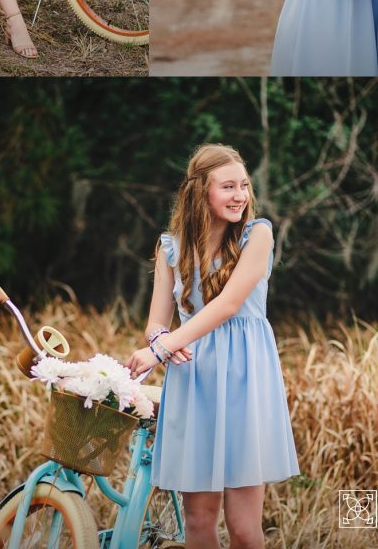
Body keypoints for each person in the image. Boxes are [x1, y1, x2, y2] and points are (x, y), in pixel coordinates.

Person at [126, 144, 298, 549]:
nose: (240, 194)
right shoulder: (171, 247)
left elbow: (228, 305)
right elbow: (156, 320)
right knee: (199, 522)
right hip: (196, 382)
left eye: (244, 185)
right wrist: (157, 339)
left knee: (243, 528)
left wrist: (162, 349)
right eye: (228, 186)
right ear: (200, 192)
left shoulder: (259, 235)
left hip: (245, 381)